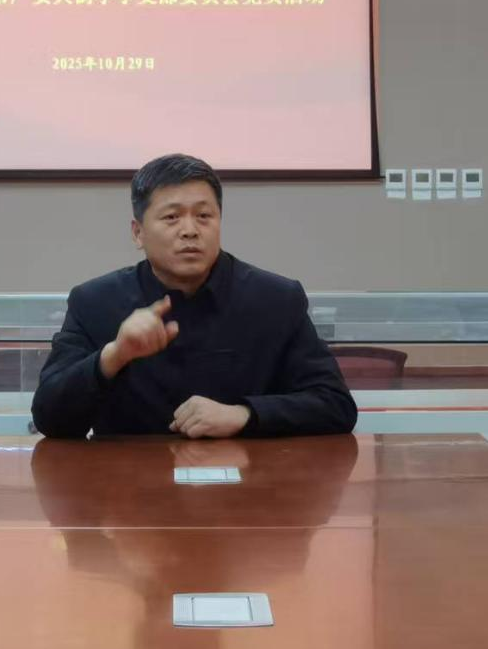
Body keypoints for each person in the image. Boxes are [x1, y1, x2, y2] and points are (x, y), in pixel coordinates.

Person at [31, 154, 356, 439]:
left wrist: (245, 415)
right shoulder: (95, 302)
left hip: (250, 480)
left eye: (204, 216)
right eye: (171, 217)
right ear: (138, 232)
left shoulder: (275, 300)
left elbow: (335, 405)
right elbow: (50, 418)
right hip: (131, 482)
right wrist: (114, 355)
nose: (190, 230)